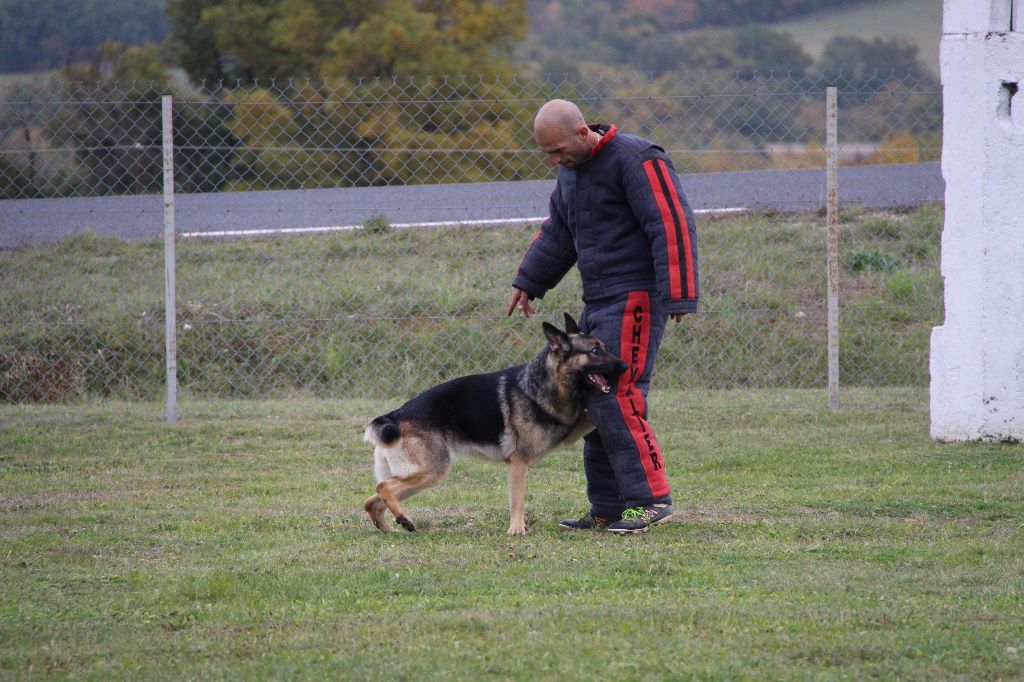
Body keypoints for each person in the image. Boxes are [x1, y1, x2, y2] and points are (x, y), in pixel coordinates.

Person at [506, 99, 699, 534]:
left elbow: (671, 223)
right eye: (547, 155)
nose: (554, 160)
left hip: (636, 296)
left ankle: (650, 500)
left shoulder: (637, 159)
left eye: (558, 150)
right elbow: (558, 231)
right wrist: (528, 281)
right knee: (590, 396)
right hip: (598, 297)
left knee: (617, 392)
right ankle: (608, 505)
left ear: (581, 132)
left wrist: (680, 292)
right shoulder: (570, 173)